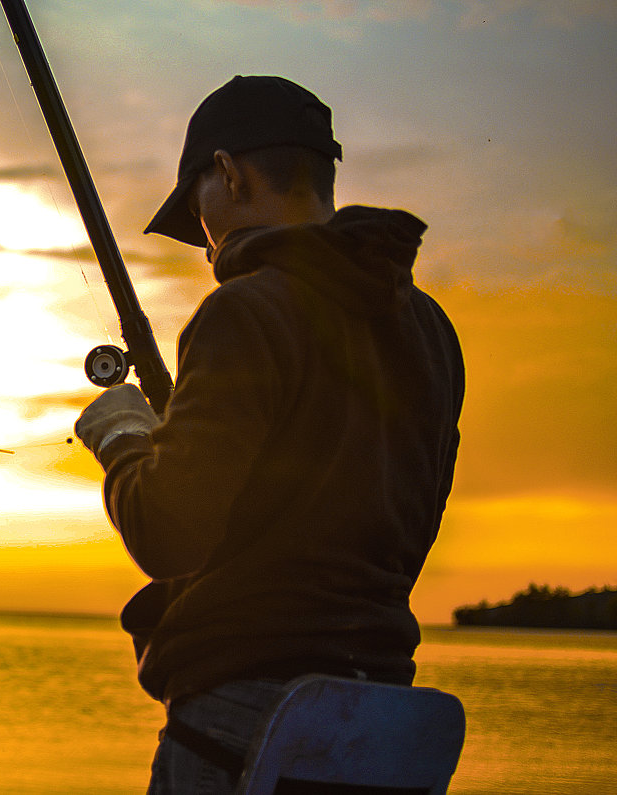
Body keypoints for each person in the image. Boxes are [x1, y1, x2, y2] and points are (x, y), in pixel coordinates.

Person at [74, 75, 465, 793]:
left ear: (226, 172)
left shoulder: (244, 313)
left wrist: (124, 434)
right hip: (382, 724)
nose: (205, 240)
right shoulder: (432, 331)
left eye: (199, 210)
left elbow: (167, 535)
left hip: (246, 717)